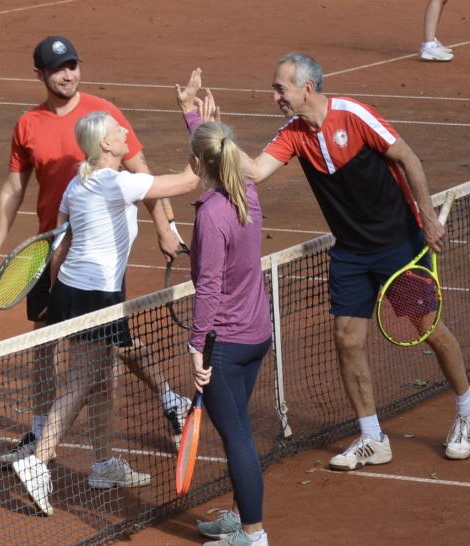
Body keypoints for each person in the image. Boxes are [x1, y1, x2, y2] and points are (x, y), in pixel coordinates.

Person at [223, 53, 470, 471]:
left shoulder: (354, 115)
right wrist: (213, 132)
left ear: (306, 88)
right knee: (346, 339)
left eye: (280, 89)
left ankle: (469, 410)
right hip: (350, 253)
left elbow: (408, 159)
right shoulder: (294, 134)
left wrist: (429, 218)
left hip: (398, 245)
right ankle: (372, 437)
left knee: (428, 328)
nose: (275, 97)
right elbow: (253, 171)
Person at [0, 36, 191, 465]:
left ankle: (165, 405)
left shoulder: (103, 115)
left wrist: (165, 227)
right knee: (45, 343)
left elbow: (141, 173)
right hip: (49, 252)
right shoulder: (28, 125)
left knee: (109, 349)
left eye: (73, 65)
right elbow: (13, 188)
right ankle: (41, 433)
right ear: (39, 74)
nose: (68, 75)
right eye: (59, 68)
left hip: (98, 257)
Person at [11, 110, 201, 515]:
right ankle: (38, 460)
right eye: (118, 130)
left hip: (74, 291)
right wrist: (199, 125)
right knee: (80, 381)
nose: (124, 131)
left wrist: (55, 298)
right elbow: (188, 181)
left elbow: (61, 248)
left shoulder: (76, 184)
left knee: (99, 380)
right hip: (97, 295)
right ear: (106, 144)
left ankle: (103, 465)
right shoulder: (117, 183)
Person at [175, 70, 272, 546]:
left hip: (225, 347)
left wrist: (197, 347)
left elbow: (209, 287)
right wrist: (193, 115)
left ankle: (253, 536)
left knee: (238, 438)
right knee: (240, 428)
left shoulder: (211, 214)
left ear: (199, 162)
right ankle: (238, 518)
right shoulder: (246, 191)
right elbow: (215, 150)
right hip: (257, 335)